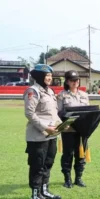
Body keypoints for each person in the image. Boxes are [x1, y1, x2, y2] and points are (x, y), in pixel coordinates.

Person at [24, 64, 62, 199]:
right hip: (38, 136)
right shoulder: (33, 91)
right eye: (47, 75)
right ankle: (35, 194)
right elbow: (29, 113)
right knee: (37, 165)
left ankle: (44, 191)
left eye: (51, 76)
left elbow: (53, 113)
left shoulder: (50, 91)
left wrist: (61, 125)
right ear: (40, 76)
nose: (50, 78)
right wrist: (45, 128)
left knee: (48, 164)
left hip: (52, 135)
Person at [57, 70, 90, 188]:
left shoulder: (84, 95)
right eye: (72, 80)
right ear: (67, 81)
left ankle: (78, 178)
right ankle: (67, 179)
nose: (75, 82)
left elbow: (89, 112)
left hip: (83, 130)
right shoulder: (62, 95)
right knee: (68, 154)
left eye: (76, 80)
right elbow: (59, 113)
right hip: (69, 129)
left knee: (81, 154)